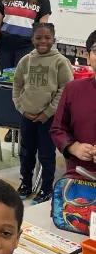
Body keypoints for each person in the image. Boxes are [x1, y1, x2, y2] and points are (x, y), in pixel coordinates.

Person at [0, 0, 51, 142]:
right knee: (8, 86)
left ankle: (22, 125)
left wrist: (42, 52)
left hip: (27, 48)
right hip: (5, 47)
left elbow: (44, 28)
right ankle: (10, 126)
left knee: (24, 88)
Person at [13, 23, 73, 204]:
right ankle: (26, 184)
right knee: (26, 153)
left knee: (46, 155)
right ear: (32, 39)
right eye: (38, 38)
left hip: (49, 118)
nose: (42, 41)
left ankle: (46, 188)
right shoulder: (26, 60)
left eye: (47, 38)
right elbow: (17, 85)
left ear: (53, 39)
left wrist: (47, 113)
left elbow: (65, 89)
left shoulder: (60, 61)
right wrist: (21, 108)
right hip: (27, 116)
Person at [51, 28, 96, 176]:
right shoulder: (73, 89)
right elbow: (58, 129)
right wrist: (73, 147)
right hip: (80, 174)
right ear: (88, 57)